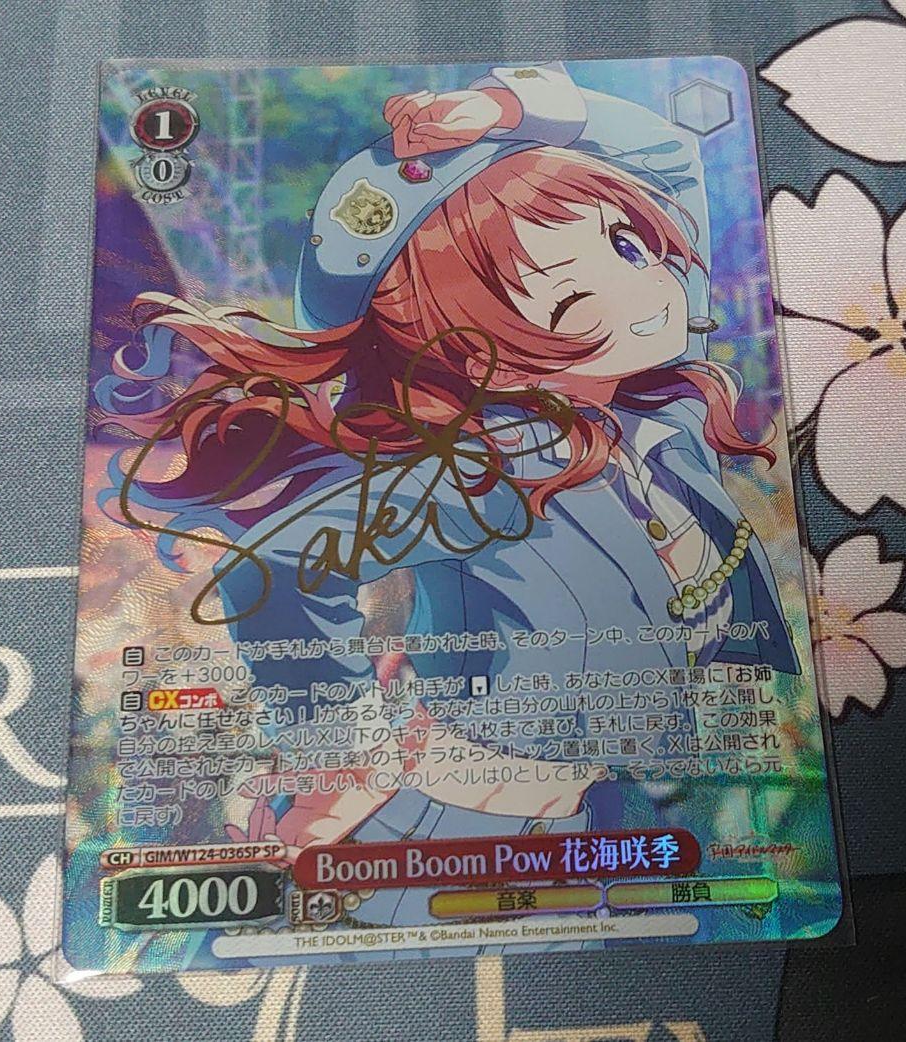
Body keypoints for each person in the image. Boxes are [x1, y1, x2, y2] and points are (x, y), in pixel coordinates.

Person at [102, 62, 797, 948]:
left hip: (586, 813)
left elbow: (664, 159)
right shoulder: (482, 471)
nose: (653, 288)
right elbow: (269, 567)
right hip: (457, 829)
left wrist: (504, 109)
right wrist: (340, 748)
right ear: (466, 352)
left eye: (631, 249)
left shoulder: (661, 410)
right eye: (570, 296)